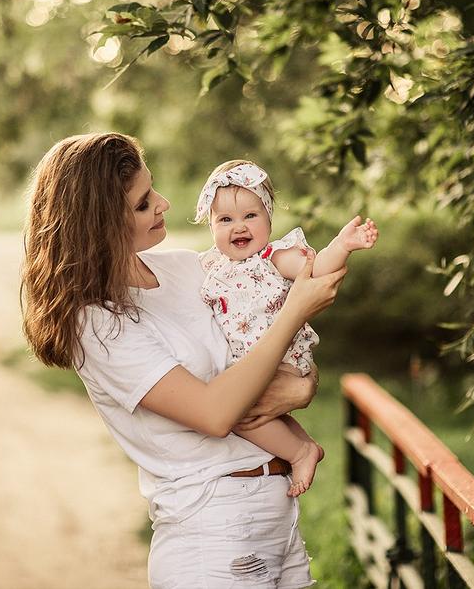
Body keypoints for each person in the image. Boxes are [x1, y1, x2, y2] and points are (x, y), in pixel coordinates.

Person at [22, 133, 346, 588]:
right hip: (213, 531)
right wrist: (297, 313)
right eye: (142, 203)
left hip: (278, 516)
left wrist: (304, 383)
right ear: (100, 224)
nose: (164, 203)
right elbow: (214, 413)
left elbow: (258, 344)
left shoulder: (187, 268)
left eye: (152, 189)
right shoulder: (97, 324)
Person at [195, 160, 378, 497]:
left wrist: (342, 245)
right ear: (210, 225)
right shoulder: (211, 267)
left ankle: (299, 452)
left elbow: (318, 268)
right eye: (225, 219)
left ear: (268, 217)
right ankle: (303, 443)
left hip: (283, 359)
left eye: (250, 216)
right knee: (244, 407)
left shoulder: (273, 256)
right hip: (250, 365)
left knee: (235, 412)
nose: (239, 227)